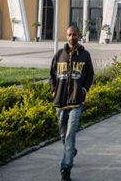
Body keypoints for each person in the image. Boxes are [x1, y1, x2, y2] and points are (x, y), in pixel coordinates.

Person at [49, 25, 94, 181]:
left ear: (79, 35)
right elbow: (51, 75)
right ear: (66, 35)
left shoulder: (85, 55)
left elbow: (90, 74)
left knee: (69, 135)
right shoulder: (59, 55)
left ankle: (65, 169)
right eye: (69, 34)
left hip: (76, 102)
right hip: (60, 102)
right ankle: (71, 150)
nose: (72, 37)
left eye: (74, 34)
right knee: (63, 134)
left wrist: (84, 89)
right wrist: (54, 90)